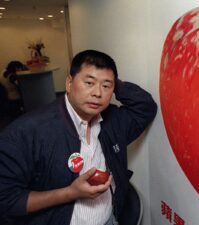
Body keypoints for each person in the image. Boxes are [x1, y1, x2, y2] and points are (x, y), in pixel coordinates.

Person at [0, 50, 157, 225]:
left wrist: (112, 82)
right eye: (89, 82)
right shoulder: (28, 131)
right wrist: (70, 193)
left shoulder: (112, 121)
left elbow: (145, 107)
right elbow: (6, 200)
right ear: (69, 83)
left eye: (106, 86)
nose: (97, 93)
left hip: (109, 219)